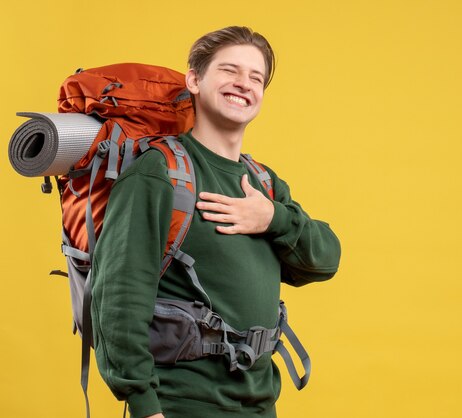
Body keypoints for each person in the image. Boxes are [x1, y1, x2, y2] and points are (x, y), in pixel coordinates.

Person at [90, 26, 341, 418]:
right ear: (195, 79)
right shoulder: (159, 173)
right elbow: (118, 299)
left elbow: (325, 259)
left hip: (260, 403)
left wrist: (272, 218)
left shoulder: (263, 183)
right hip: (181, 405)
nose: (243, 84)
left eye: (255, 77)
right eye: (229, 70)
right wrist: (144, 405)